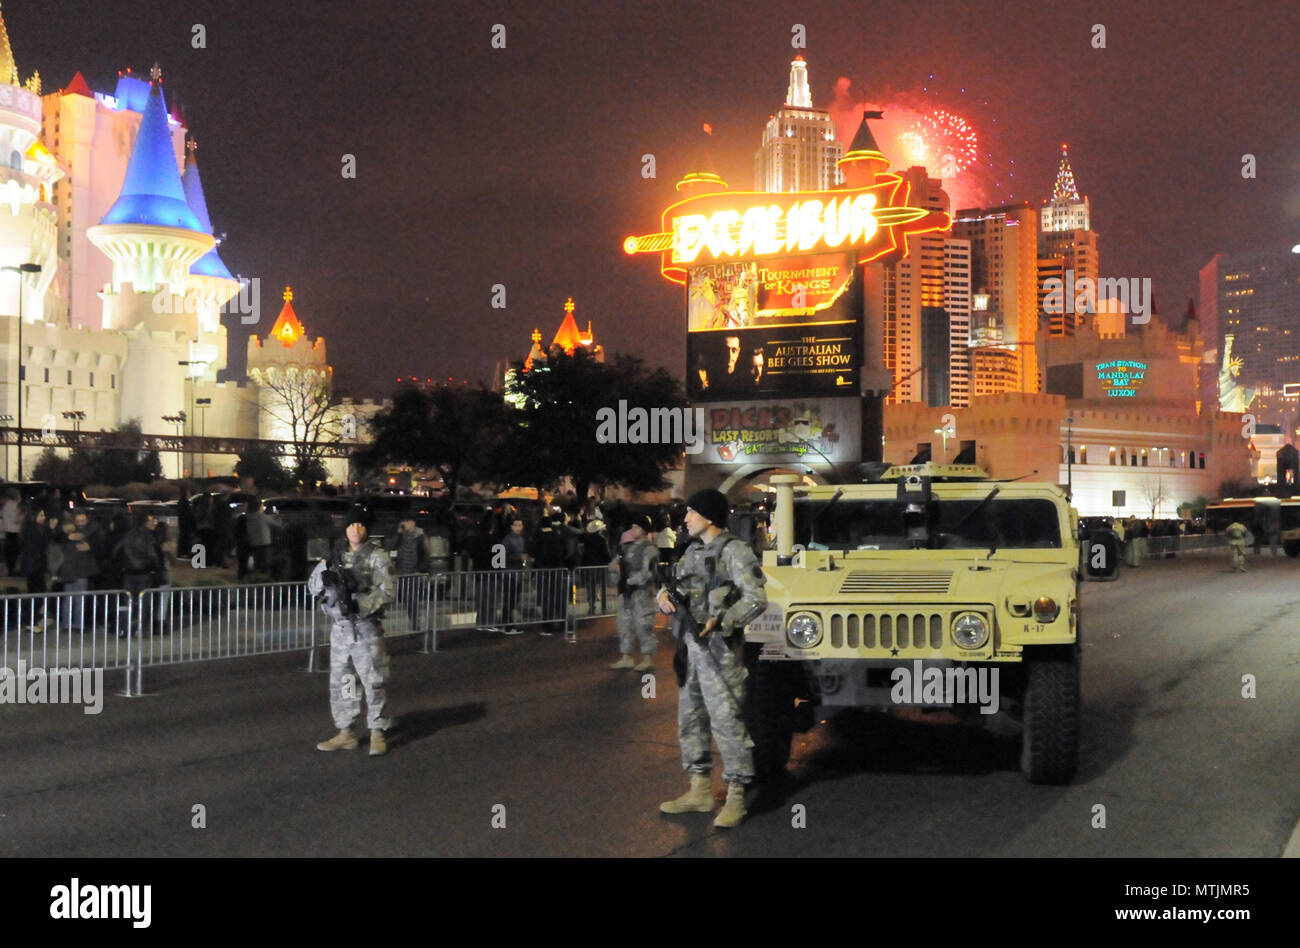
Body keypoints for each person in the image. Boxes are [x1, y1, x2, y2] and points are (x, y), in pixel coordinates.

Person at [657, 488, 767, 829]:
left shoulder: (735, 552)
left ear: (708, 516)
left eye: (691, 512)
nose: (685, 518)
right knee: (691, 717)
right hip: (690, 649)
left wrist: (724, 620)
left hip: (720, 651)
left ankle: (736, 794)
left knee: (726, 720)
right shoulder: (692, 552)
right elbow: (675, 587)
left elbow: (756, 599)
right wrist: (663, 597)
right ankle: (700, 789)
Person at [310, 516, 396, 756]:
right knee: (344, 681)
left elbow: (388, 591)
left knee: (373, 681)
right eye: (351, 525)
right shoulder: (333, 557)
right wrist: (325, 581)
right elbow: (312, 586)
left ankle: (378, 731)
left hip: (365, 628)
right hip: (341, 630)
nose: (355, 530)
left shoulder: (377, 557)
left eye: (360, 524)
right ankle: (347, 731)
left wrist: (361, 604)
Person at [610, 514, 659, 671]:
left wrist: (629, 580)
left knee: (644, 625)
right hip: (626, 594)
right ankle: (627, 657)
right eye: (632, 526)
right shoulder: (628, 548)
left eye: (637, 527)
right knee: (624, 625)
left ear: (645, 529)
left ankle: (648, 658)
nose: (633, 530)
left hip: (641, 593)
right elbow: (612, 565)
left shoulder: (649, 549)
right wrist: (617, 569)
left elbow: (648, 573)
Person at [530, 515, 570, 637]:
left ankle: (547, 627)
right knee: (560, 598)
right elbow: (565, 552)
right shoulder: (558, 537)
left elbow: (533, 557)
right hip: (558, 570)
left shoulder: (537, 539)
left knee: (546, 599)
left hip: (543, 571)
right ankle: (563, 624)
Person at [389, 518, 430, 630]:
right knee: (406, 598)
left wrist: (421, 568)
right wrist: (398, 532)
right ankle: (412, 621)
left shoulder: (420, 535)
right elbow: (391, 545)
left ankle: (415, 622)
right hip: (402, 572)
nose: (405, 524)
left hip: (414, 572)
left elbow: (426, 552)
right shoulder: (401, 536)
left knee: (412, 597)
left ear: (413, 522)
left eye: (407, 521)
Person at [499, 517, 528, 635]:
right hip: (510, 573)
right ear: (511, 527)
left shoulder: (520, 539)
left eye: (520, 525)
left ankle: (505, 622)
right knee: (510, 599)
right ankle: (507, 625)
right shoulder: (508, 540)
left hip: (517, 572)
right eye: (516, 525)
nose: (518, 527)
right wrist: (519, 558)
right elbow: (502, 556)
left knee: (513, 599)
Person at [580, 519, 610, 615]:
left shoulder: (587, 540)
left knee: (591, 587)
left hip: (589, 566)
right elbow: (606, 554)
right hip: (601, 566)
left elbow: (584, 554)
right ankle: (604, 607)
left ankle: (591, 606)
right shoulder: (602, 539)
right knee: (603, 587)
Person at [2, 488, 21, 576]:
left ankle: (10, 570)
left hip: (8, 531)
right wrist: (22, 518)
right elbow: (15, 519)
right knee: (14, 552)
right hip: (14, 531)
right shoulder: (14, 505)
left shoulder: (6, 506)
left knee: (9, 552)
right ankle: (12, 570)